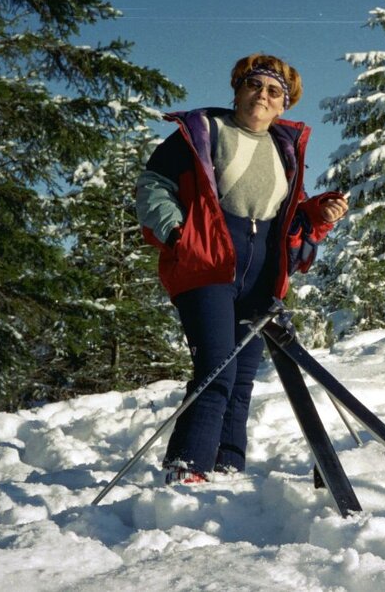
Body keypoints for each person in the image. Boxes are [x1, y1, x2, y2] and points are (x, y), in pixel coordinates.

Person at [135, 53, 348, 484]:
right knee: (217, 366)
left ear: (283, 105)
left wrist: (319, 213)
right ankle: (187, 466)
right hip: (209, 262)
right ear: (237, 88)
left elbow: (287, 217)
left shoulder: (283, 148)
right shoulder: (203, 131)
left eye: (274, 91)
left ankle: (228, 464)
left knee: (244, 377)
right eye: (255, 84)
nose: (263, 96)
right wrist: (179, 235)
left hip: (261, 270)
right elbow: (154, 185)